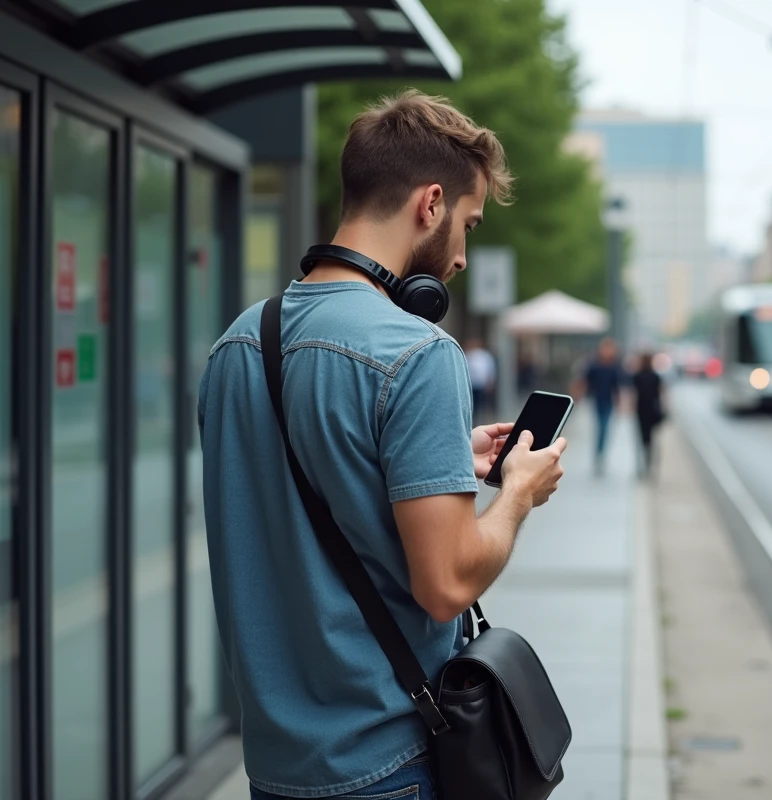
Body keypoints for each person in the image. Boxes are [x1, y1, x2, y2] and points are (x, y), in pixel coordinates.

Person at [198, 91, 567, 800]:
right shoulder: (417, 352)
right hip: (386, 766)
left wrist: (440, 455)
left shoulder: (236, 344)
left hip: (275, 768)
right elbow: (448, 583)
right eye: (468, 224)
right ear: (430, 204)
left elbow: (296, 483)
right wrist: (518, 493)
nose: (460, 256)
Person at [573, 337, 624, 475]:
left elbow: (617, 387)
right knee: (600, 428)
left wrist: (620, 404)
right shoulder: (594, 365)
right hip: (596, 401)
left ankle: (600, 454)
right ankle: (598, 454)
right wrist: (577, 396)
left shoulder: (615, 366)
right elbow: (584, 381)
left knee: (604, 428)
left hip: (609, 402)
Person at [632, 351, 665, 479]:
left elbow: (633, 394)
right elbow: (661, 394)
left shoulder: (637, 376)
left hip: (641, 411)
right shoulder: (655, 376)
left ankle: (642, 465)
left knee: (641, 439)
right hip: (653, 410)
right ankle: (649, 463)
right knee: (651, 439)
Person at [464, 337, 496, 419]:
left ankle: (480, 417)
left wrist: (489, 382)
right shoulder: (468, 355)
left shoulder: (484, 355)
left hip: (481, 384)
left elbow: (490, 369)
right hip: (471, 383)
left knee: (480, 403)